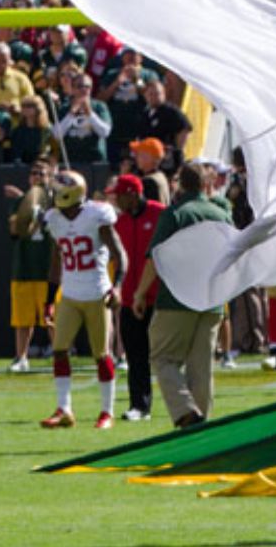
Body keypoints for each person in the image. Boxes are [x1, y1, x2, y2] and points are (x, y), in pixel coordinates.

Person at [136, 160, 234, 426]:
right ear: (207, 184)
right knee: (201, 368)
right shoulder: (222, 214)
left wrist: (140, 293)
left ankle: (184, 410)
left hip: (176, 299)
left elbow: (155, 257)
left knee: (163, 358)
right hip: (212, 299)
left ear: (179, 183)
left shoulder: (175, 214)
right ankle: (201, 425)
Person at [40, 170, 129, 429]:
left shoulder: (96, 215)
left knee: (102, 354)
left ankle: (107, 412)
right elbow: (56, 261)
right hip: (69, 294)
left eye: (57, 191)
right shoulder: (55, 219)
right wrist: (48, 299)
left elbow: (119, 253)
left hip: (97, 293)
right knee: (59, 350)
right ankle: (64, 409)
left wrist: (118, 286)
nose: (52, 196)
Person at [110, 172, 166, 421]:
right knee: (135, 354)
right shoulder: (118, 222)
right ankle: (140, 406)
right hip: (130, 300)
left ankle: (182, 403)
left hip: (160, 299)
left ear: (132, 195)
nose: (116, 201)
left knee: (168, 355)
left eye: (119, 196)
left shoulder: (160, 214)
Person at [6, 164, 55, 372]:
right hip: (24, 266)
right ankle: (21, 356)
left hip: (47, 267)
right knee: (22, 318)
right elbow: (14, 231)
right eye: (34, 173)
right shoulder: (20, 202)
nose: (37, 177)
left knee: (52, 316)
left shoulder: (56, 201)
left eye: (41, 174)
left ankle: (60, 352)